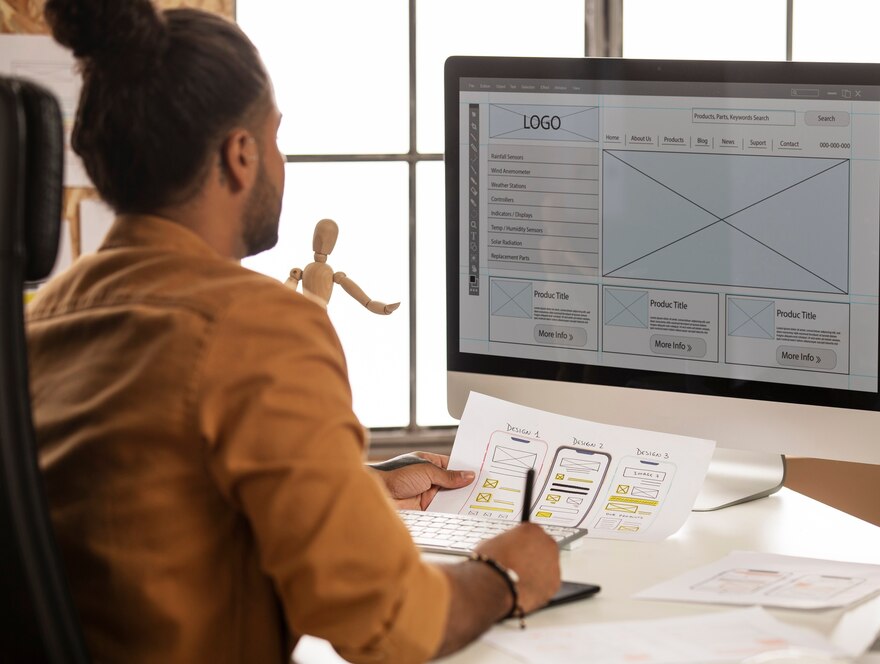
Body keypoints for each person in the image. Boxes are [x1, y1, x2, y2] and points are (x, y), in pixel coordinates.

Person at [26, 1, 561, 662]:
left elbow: (160, 506)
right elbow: (389, 627)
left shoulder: (37, 323)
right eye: (276, 138)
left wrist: (357, 488)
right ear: (241, 154)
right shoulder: (254, 327)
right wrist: (503, 575)